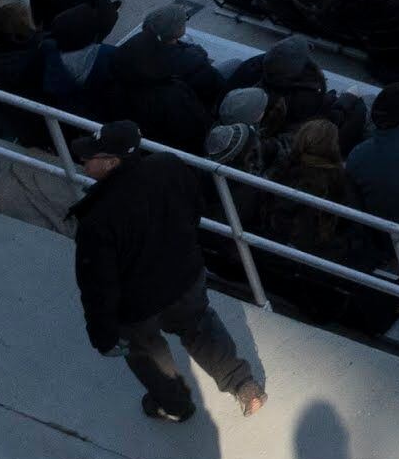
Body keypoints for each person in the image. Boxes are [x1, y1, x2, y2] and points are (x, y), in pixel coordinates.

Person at [73, 122, 269, 428]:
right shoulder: (168, 167)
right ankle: (243, 385)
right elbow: (195, 209)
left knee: (146, 351)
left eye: (90, 156)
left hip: (139, 304)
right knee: (200, 325)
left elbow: (98, 286)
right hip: (185, 276)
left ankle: (175, 405)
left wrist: (104, 336)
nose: (83, 159)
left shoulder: (96, 219)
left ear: (112, 163)